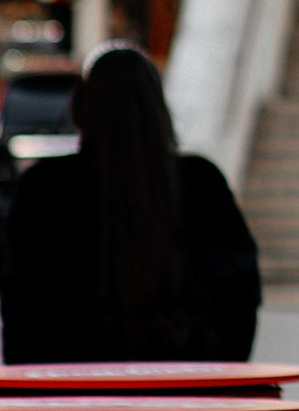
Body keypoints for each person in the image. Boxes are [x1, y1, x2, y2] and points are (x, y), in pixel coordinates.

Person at [1, 43, 261, 363]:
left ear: (82, 108)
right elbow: (239, 293)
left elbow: (21, 299)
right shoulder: (202, 183)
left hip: (74, 387)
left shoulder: (45, 188)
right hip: (187, 384)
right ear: (159, 107)